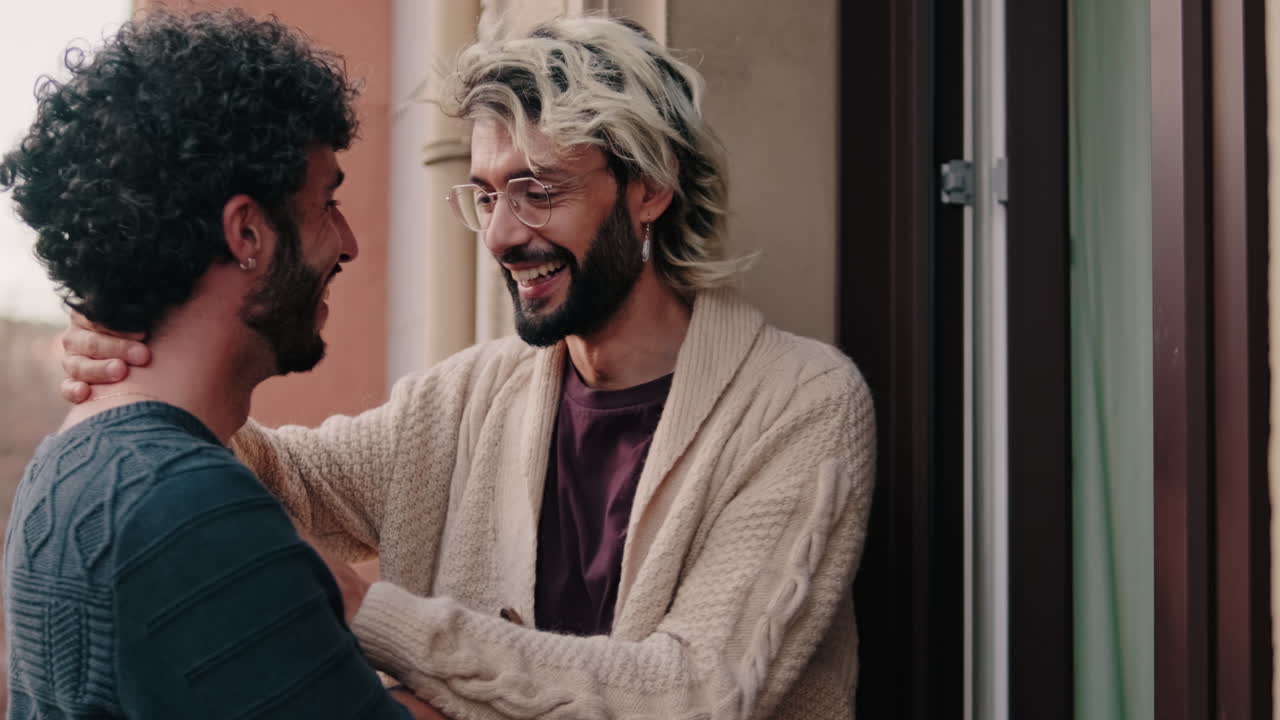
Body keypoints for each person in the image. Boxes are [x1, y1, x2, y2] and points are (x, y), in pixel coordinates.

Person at [61, 14, 876, 720]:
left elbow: (698, 692)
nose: (501, 235)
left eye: (539, 189)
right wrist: (144, 358)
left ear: (650, 189)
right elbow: (283, 480)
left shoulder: (802, 403)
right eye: (486, 195)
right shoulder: (464, 400)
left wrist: (370, 613)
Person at [1, 10, 442, 719]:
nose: (350, 243)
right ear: (248, 233)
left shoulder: (69, 463)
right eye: (326, 202)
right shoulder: (189, 511)